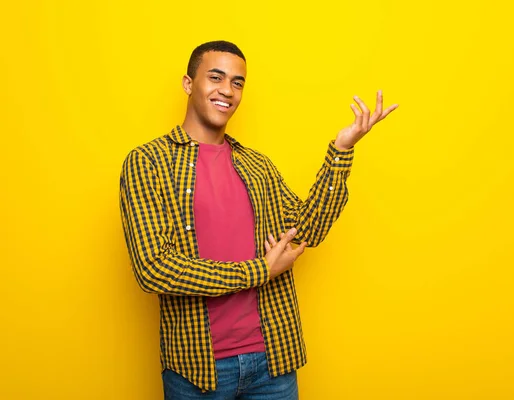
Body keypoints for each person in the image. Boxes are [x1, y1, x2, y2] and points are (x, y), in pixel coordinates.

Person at [119, 40, 398, 400]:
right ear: (188, 84)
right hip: (197, 368)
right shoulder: (148, 163)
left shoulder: (257, 165)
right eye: (215, 77)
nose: (227, 91)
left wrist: (342, 151)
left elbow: (307, 228)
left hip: (273, 362)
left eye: (237, 82)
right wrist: (259, 271)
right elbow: (154, 268)